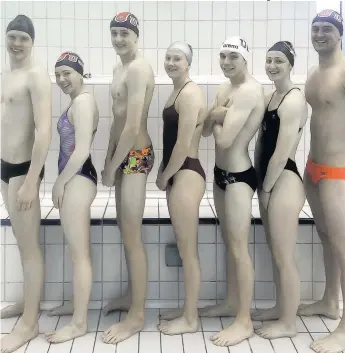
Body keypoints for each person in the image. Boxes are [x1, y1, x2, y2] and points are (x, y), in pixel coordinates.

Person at [201, 36, 265, 347]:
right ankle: (230, 302)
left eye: (233, 58)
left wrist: (215, 115)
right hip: (219, 174)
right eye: (223, 56)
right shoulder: (224, 88)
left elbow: (224, 141)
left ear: (245, 60)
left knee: (240, 247)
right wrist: (215, 117)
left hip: (239, 176)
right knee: (230, 242)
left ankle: (244, 320)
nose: (226, 62)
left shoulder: (251, 90)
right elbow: (203, 130)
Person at [101, 12, 155, 344]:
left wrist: (112, 166)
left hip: (135, 157)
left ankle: (137, 315)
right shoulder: (118, 68)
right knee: (125, 229)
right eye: (115, 33)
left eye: (125, 34)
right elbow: (116, 120)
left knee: (132, 235)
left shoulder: (138, 69)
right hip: (121, 157)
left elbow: (133, 126)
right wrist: (108, 157)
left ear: (136, 37)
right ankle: (129, 296)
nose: (119, 39)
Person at [1, 15, 52, 352]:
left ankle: (30, 324)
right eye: (12, 37)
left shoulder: (36, 77)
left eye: (23, 38)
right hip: (5, 168)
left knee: (30, 248)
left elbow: (43, 130)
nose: (16, 44)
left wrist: (32, 180)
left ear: (32, 43)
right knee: (21, 242)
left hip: (23, 172)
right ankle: (25, 304)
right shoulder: (7, 75)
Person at [252, 41, 308, 339]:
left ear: (290, 65)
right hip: (269, 180)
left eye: (279, 61)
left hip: (283, 180)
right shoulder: (272, 95)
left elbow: (282, 152)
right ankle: (280, 307)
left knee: (285, 255)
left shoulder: (295, 100)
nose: (272, 66)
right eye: (269, 60)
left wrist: (267, 188)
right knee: (276, 251)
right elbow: (262, 142)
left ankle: (288, 323)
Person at [43, 51, 99, 343]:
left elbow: (82, 151)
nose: (62, 79)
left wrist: (58, 184)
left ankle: (79, 322)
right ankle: (75, 306)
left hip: (77, 179)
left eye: (68, 73)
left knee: (79, 256)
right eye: (58, 75)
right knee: (77, 252)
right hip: (74, 179)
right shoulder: (76, 102)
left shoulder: (84, 102)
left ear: (80, 73)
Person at [297, 9, 345, 353]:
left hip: (339, 172)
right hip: (314, 167)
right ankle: (330, 300)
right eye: (315, 29)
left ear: (340, 34)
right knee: (326, 236)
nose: (320, 34)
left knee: (343, 245)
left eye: (327, 29)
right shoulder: (314, 73)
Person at [156, 41, 207, 335]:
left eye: (178, 58)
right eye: (168, 57)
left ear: (188, 63)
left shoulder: (189, 93)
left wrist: (165, 175)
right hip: (179, 173)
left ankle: (190, 319)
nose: (172, 62)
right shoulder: (176, 90)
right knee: (184, 245)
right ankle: (188, 308)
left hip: (186, 171)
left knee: (188, 250)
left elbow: (184, 143)